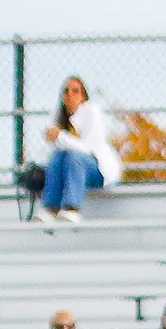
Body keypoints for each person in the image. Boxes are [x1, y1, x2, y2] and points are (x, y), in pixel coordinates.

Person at [35, 76, 121, 222]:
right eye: (66, 91)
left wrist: (60, 137)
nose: (70, 95)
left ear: (83, 96)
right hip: (71, 170)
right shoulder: (59, 115)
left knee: (74, 156)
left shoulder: (92, 112)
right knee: (58, 156)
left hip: (98, 170)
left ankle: (72, 208)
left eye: (76, 91)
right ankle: (50, 208)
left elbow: (87, 149)